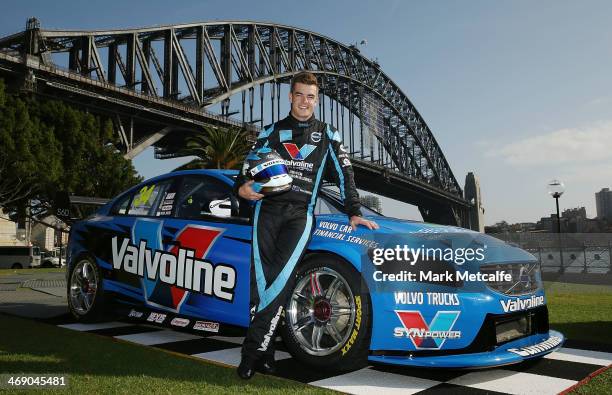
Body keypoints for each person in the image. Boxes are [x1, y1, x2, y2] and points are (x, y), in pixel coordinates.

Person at [234, 71, 378, 379]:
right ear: (290, 96)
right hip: (267, 211)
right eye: (299, 95)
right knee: (261, 282)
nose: (304, 101)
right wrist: (242, 188)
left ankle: (250, 354)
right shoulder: (271, 131)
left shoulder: (329, 134)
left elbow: (345, 175)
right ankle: (264, 353)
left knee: (281, 280)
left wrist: (354, 210)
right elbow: (247, 169)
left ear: (317, 99)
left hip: (300, 215)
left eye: (310, 96)